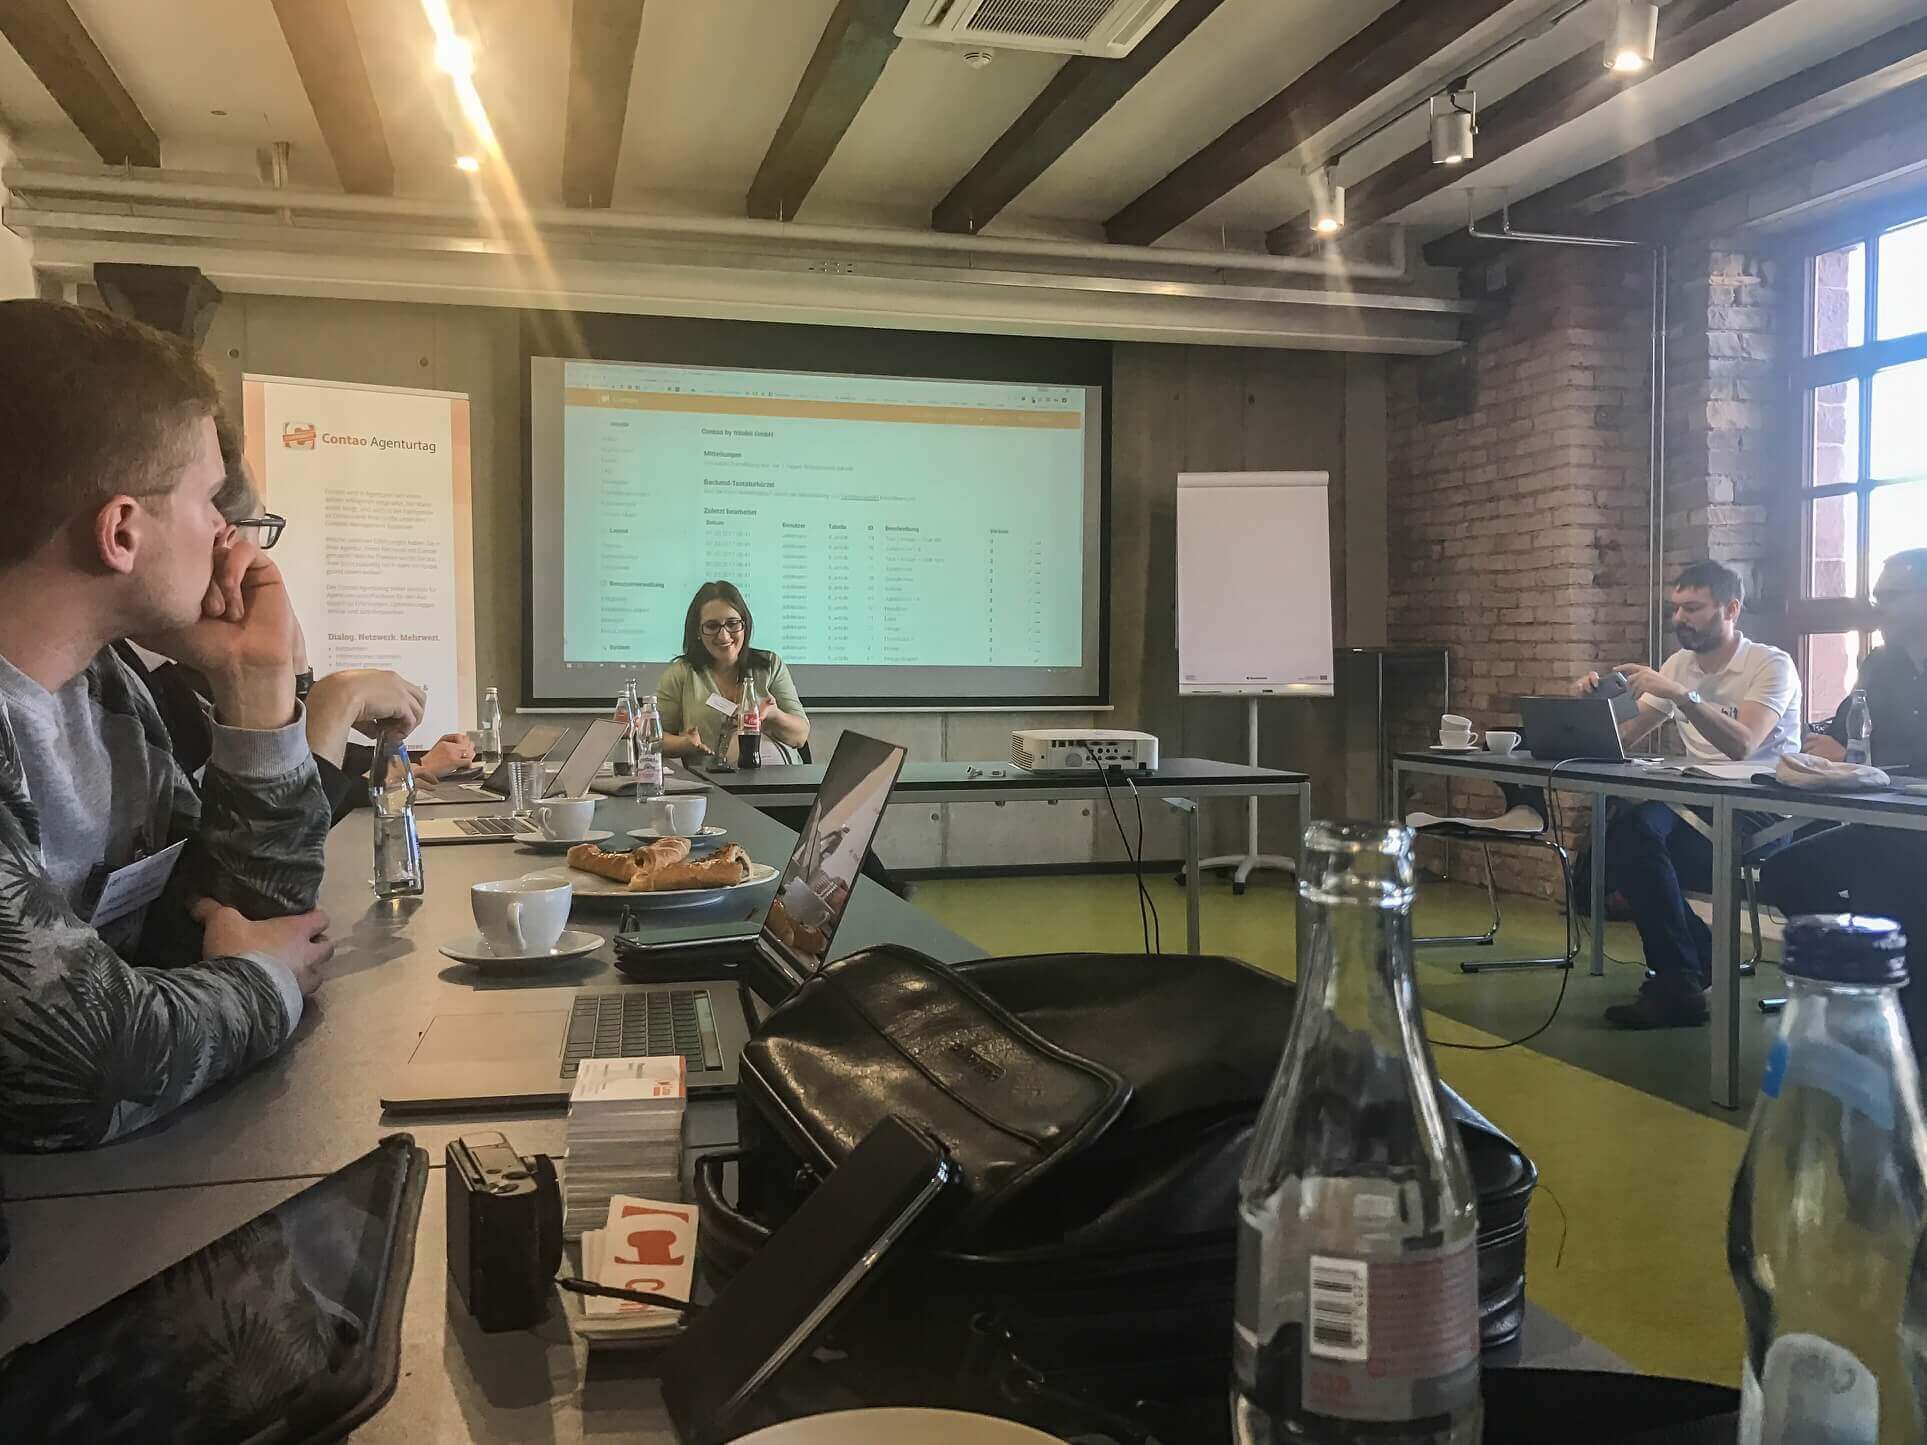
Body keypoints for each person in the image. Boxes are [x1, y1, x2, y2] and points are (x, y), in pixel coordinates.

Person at [0, 299, 334, 1151]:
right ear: (120, 531)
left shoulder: (105, 693)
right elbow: (82, 1065)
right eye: (209, 499)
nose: (229, 536)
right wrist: (262, 983)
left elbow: (247, 915)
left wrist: (256, 687)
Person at [120, 427, 472, 821]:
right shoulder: (130, 698)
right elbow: (266, 846)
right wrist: (335, 703)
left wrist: (300, 674)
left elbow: (266, 826)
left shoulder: (169, 676)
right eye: (260, 529)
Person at [1571, 560, 1802, 1029]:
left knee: (1635, 843)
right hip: (1695, 802)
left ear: (1731, 609)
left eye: (1692, 608)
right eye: (1675, 609)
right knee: (1622, 838)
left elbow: (1743, 744)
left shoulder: (1770, 664)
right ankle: (1686, 971)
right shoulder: (1680, 665)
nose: (1679, 619)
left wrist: (1682, 696)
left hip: (1762, 809)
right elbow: (1627, 736)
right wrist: (1595, 705)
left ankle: (1683, 973)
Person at [1759, 547, 1927, 1052]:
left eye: (1891, 596)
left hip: (1913, 830)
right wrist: (1824, 754)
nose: (1878, 609)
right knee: (1787, 873)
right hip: (1882, 822)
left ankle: (1898, 1015)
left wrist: (1869, 757)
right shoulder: (1878, 663)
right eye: (1876, 597)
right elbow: (1843, 735)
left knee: (1887, 888)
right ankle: (1861, 979)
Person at [656, 581, 811, 763]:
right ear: (697, 631)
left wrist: (774, 715)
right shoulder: (681, 673)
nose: (724, 635)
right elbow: (653, 738)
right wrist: (684, 744)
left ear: (744, 625)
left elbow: (800, 736)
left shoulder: (770, 665)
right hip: (712, 778)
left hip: (778, 775)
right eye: (712, 626)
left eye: (732, 623)